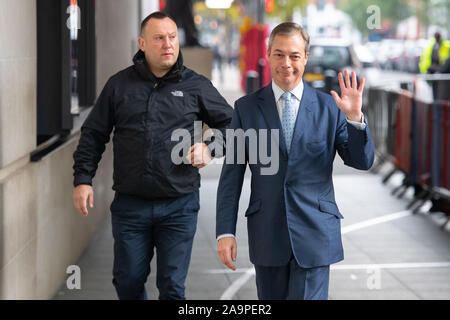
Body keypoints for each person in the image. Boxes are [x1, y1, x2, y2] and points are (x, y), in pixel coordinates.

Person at [72, 12, 233, 300]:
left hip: (179, 205)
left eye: (172, 37)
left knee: (172, 287)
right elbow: (94, 133)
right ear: (143, 43)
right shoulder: (118, 85)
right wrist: (83, 179)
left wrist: (210, 146)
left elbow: (232, 124)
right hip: (131, 205)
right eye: (159, 38)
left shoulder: (195, 86)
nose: (168, 44)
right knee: (128, 282)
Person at [216, 22, 375, 300]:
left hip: (315, 233)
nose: (286, 63)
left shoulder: (330, 108)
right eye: (279, 54)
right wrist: (224, 232)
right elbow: (232, 175)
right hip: (267, 234)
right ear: (268, 55)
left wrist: (354, 119)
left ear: (306, 58)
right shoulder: (246, 108)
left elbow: (361, 161)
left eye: (294, 55)